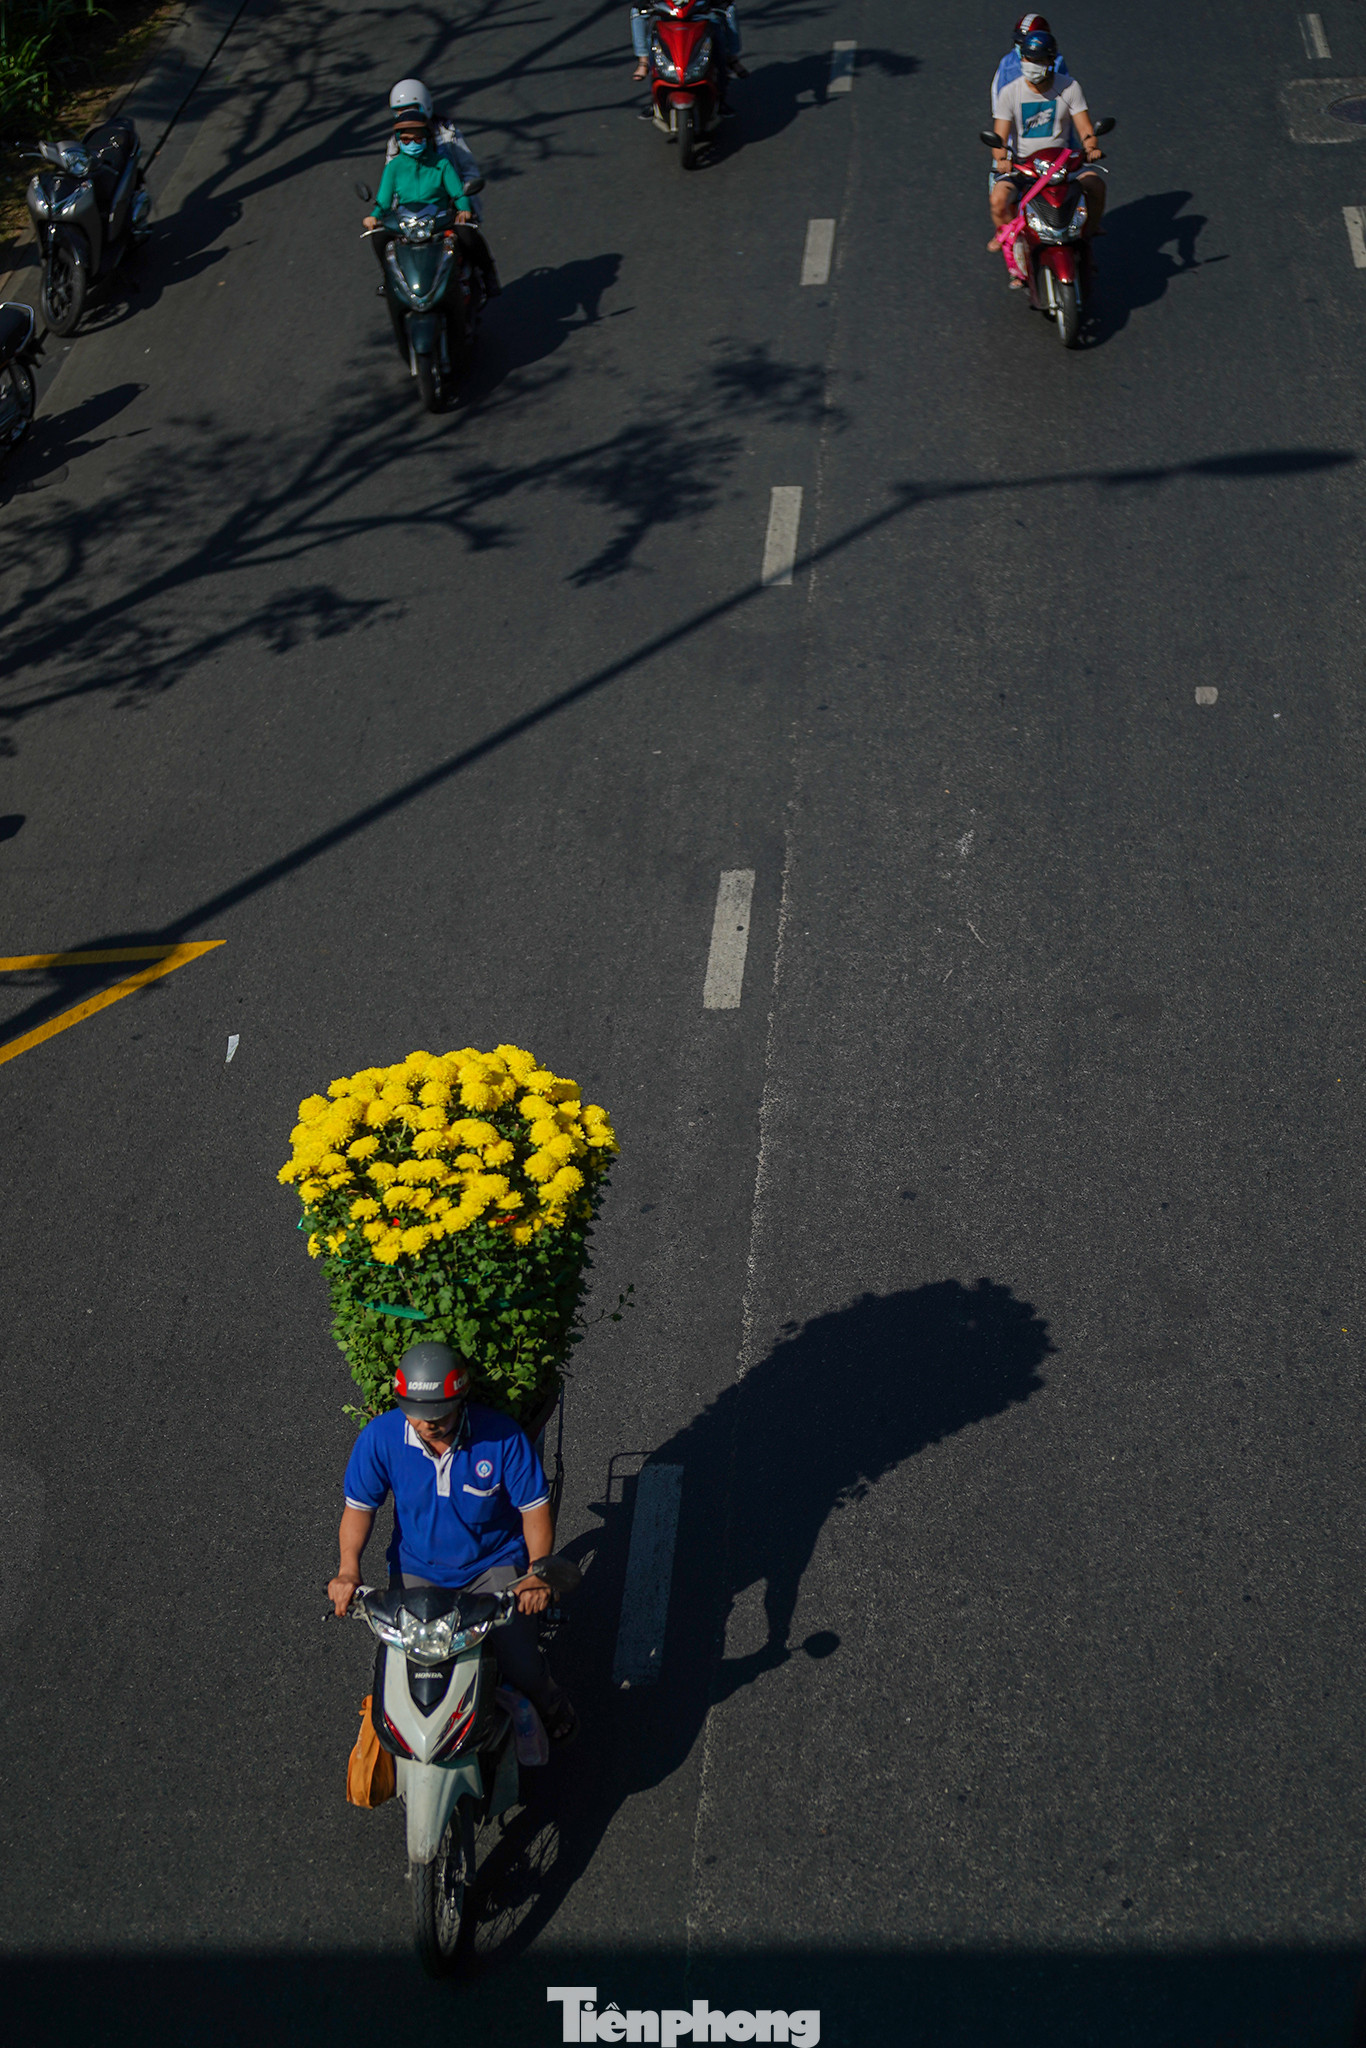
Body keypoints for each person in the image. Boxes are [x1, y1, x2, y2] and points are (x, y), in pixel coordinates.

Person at [327, 1341, 578, 1744]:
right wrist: (348, 1570)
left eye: (440, 1414)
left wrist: (536, 1571)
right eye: (419, 1415)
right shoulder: (380, 1439)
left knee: (523, 1665)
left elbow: (533, 1510)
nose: (429, 1424)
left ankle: (550, 1701)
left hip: (493, 1568)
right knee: (404, 1673)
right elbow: (359, 1509)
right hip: (416, 1573)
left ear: (461, 1400)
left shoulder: (502, 1439)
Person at [988, 26, 1105, 271]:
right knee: (999, 200)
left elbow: (1084, 127)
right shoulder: (1010, 93)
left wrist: (1091, 145)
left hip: (1063, 162)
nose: (1033, 65)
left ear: (1051, 60)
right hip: (1025, 167)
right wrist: (1002, 158)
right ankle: (1015, 247)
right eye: (1029, 60)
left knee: (1095, 184)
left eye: (1039, 60)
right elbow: (1000, 136)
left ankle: (1089, 232)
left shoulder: (1069, 88)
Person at [364, 92, 500, 301]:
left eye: (417, 138)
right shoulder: (394, 167)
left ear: (427, 138)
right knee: (379, 237)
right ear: (399, 141)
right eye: (406, 139)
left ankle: (489, 273)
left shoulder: (441, 164)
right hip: (407, 219)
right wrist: (374, 216)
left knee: (467, 234)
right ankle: (389, 278)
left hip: (440, 216)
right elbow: (383, 200)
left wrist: (464, 210)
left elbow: (457, 192)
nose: (412, 143)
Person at [630, 4, 748, 97]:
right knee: (639, 16)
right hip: (666, 12)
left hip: (700, 12)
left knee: (721, 32)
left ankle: (732, 60)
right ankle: (643, 61)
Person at [991, 12, 1072, 101]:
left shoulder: (1057, 61)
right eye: (1018, 43)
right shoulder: (1007, 62)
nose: (1021, 47)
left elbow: (1066, 92)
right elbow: (997, 92)